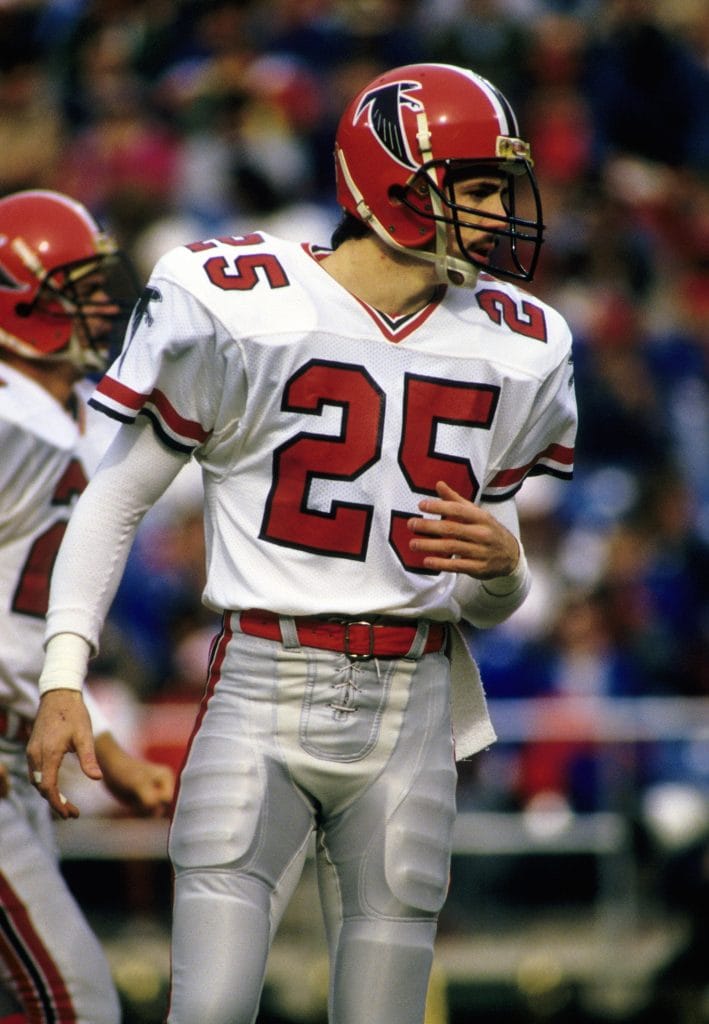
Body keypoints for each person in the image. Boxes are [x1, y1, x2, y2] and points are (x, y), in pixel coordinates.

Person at [28, 64, 578, 1024]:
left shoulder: (522, 344)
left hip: (412, 696)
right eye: (479, 186)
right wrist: (64, 675)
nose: (501, 212)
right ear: (395, 181)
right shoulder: (237, 297)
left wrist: (507, 570)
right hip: (263, 682)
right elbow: (113, 501)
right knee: (210, 1009)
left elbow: (487, 600)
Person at [0, 189, 175, 1024]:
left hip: (17, 760)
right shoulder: (7, 411)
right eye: (76, 285)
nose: (101, 303)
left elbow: (29, 642)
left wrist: (106, 746)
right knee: (71, 1002)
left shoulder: (78, 413)